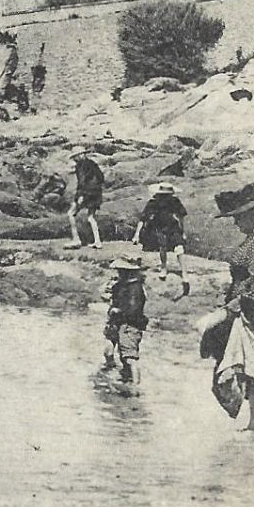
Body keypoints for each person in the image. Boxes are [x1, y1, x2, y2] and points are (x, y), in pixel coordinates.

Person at [204, 184, 254, 432]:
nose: (236, 224)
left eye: (238, 218)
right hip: (253, 315)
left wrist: (229, 309)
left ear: (253, 214)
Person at [102, 257, 148, 394]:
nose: (118, 273)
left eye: (121, 271)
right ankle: (113, 371)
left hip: (130, 325)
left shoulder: (136, 288)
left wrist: (119, 310)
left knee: (129, 357)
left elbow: (134, 310)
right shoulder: (120, 285)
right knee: (108, 350)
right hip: (116, 322)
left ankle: (135, 385)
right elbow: (109, 297)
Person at [133, 182, 189, 292]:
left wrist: (183, 231)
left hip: (172, 227)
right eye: (163, 195)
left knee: (179, 248)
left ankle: (184, 273)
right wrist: (136, 235)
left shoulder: (174, 202)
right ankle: (163, 267)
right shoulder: (153, 203)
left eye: (167, 195)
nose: (165, 197)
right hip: (159, 227)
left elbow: (180, 217)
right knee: (162, 247)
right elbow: (143, 218)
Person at [67, 150, 105, 249]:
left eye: (75, 157)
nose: (75, 159)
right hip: (96, 193)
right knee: (91, 217)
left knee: (71, 213)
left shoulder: (81, 166)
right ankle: (98, 241)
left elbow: (82, 182)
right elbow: (101, 178)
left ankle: (76, 239)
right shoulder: (93, 164)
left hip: (86, 193)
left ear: (80, 155)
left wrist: (80, 195)